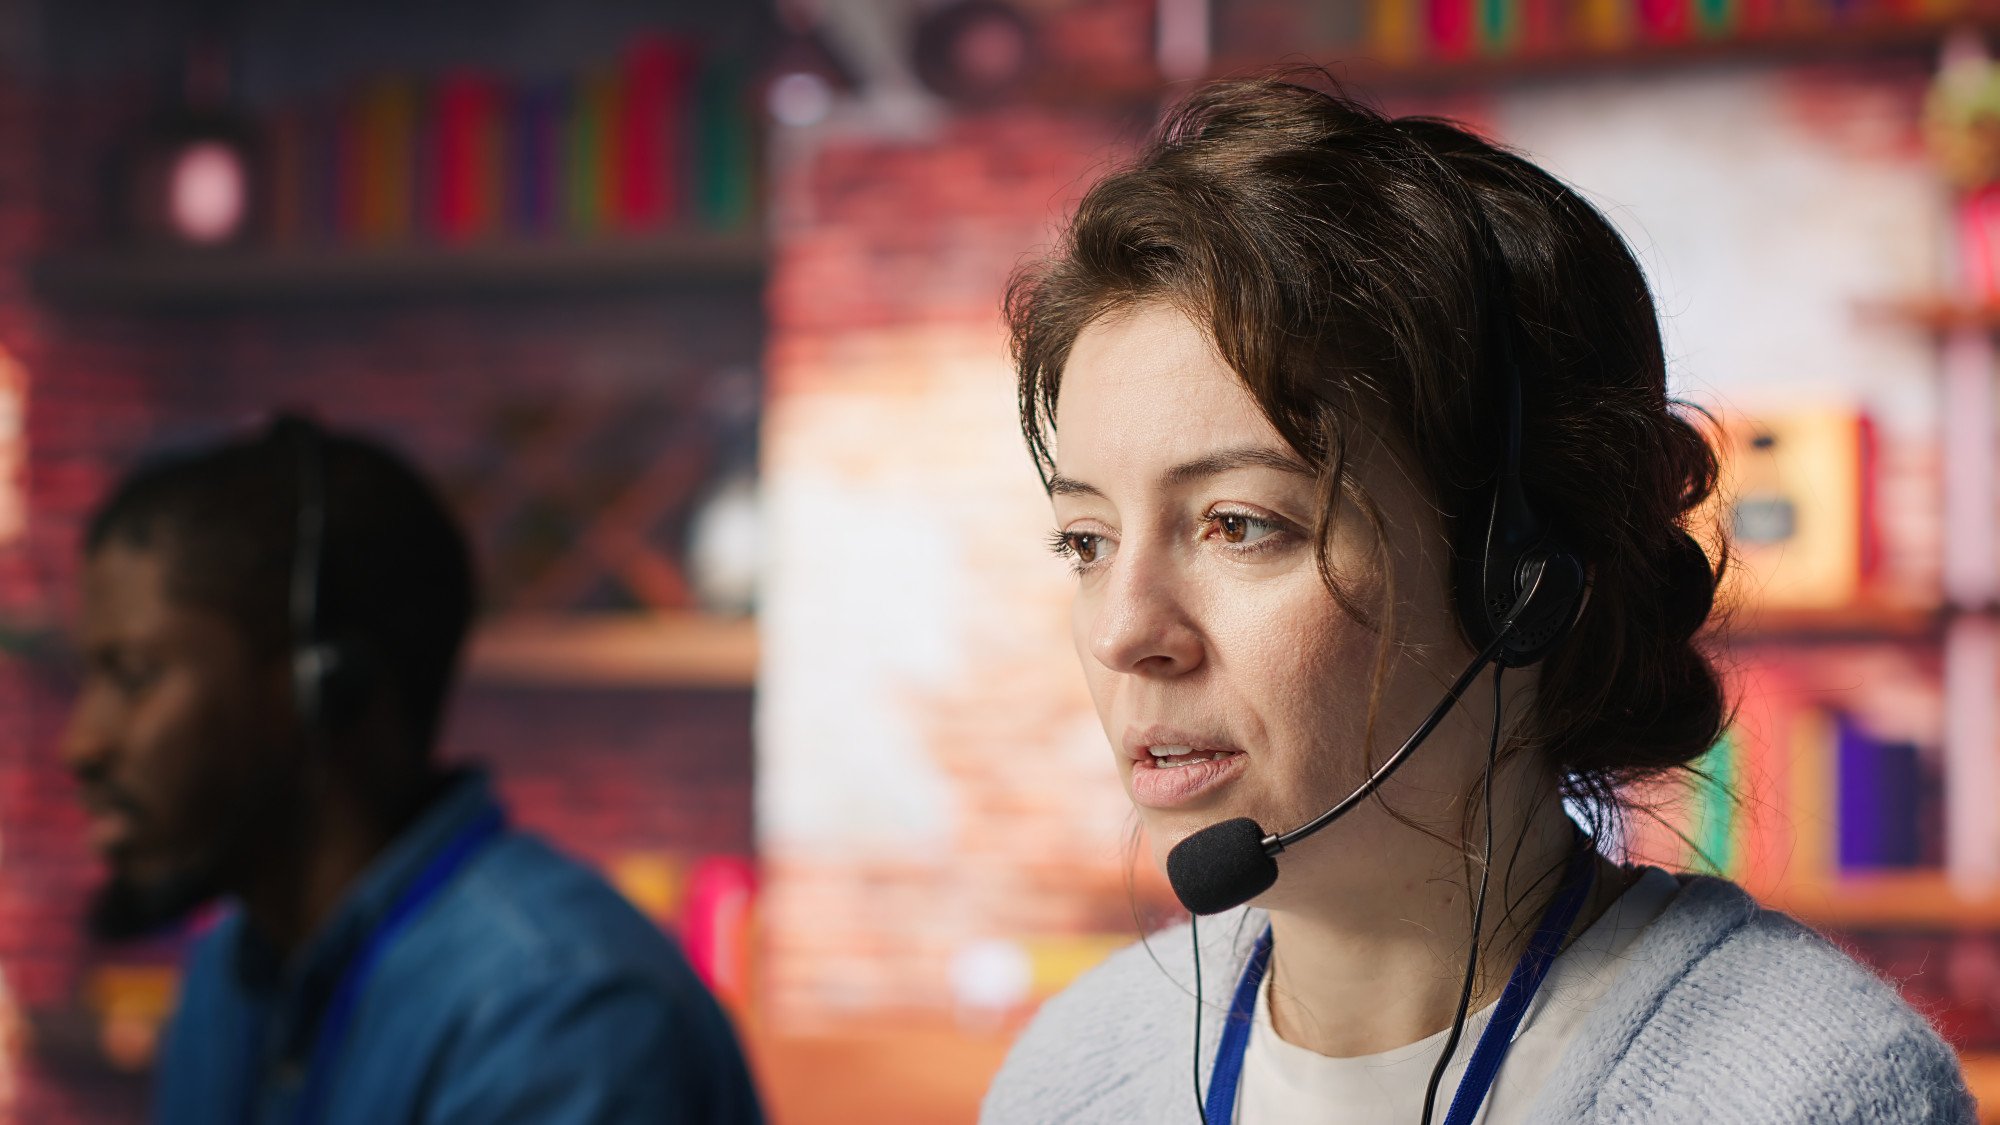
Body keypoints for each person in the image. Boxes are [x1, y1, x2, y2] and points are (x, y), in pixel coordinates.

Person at [981, 76, 1973, 1124]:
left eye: (1238, 524)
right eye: (1085, 541)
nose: (1126, 632)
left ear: (1518, 581)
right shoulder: (1072, 1074)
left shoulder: (1809, 1094)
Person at [63, 416, 764, 1124]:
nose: (82, 744)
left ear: (326, 689)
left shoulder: (554, 1008)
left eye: (133, 675)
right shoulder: (234, 970)